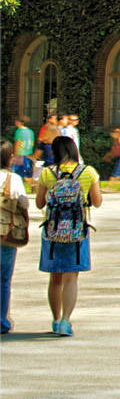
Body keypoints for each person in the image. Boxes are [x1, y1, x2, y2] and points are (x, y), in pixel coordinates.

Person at [37, 132, 102, 334]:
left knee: (55, 278)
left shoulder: (48, 173)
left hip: (52, 231)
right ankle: (66, 321)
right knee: (71, 278)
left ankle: (55, 320)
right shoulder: (88, 172)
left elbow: (40, 202)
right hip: (77, 229)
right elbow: (98, 201)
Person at [2, 140, 29, 334]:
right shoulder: (14, 179)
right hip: (6, 233)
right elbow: (25, 203)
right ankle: (2, 320)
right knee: (3, 279)